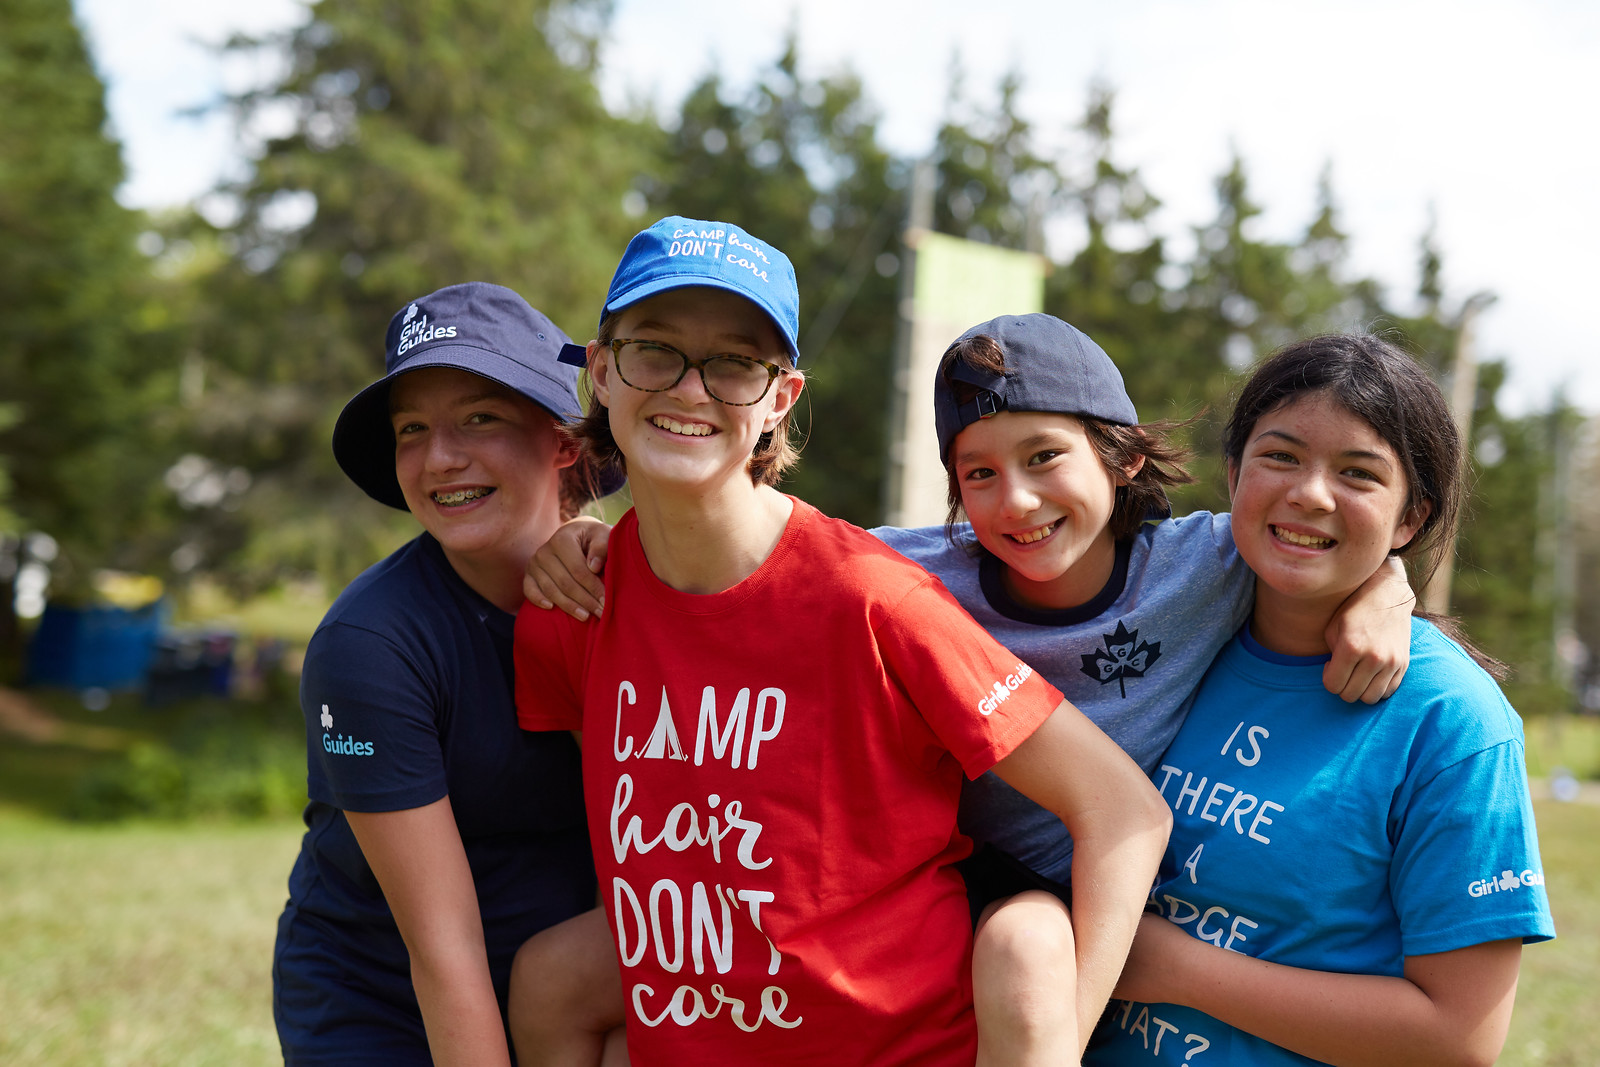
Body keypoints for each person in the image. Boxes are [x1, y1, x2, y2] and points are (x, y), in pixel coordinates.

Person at [527, 313, 1417, 1063]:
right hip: (959, 867)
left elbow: (1306, 531)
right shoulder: (913, 575)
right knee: (556, 972)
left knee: (1026, 949)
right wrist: (588, 535)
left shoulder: (1205, 562)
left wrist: (1388, 588)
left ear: (1121, 456)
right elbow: (771, 551)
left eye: (1045, 457)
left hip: (1082, 880)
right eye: (979, 473)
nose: (1016, 502)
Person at [508, 216, 1171, 1066]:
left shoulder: (874, 597)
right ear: (600, 371)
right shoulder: (573, 609)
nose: (688, 389)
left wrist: (1058, 1037)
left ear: (780, 397)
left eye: (736, 364)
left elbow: (1121, 808)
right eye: (653, 350)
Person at [1085, 334, 1555, 1065]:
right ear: (1235, 473)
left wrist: (1177, 970)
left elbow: (1459, 1039)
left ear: (1410, 518)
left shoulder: (1452, 720)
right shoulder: (1167, 632)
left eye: (1359, 473)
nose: (1309, 492)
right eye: (1281, 456)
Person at [272, 282, 614, 1066]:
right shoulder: (370, 644)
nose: (440, 459)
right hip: (385, 1001)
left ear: (564, 440)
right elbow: (444, 949)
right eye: (412, 430)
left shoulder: (628, 594)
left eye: (479, 418)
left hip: (563, 992)